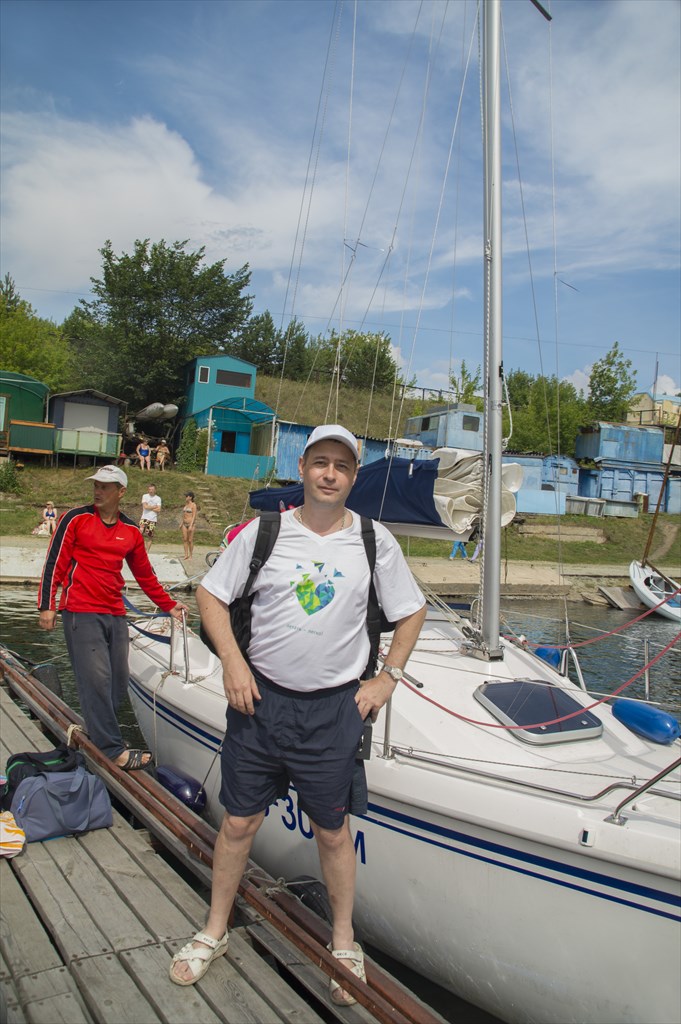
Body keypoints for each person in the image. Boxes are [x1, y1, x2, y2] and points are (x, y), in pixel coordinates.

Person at [169, 424, 426, 998]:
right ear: (304, 468)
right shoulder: (266, 532)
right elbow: (210, 594)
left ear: (353, 476)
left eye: (342, 465)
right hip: (260, 704)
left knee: (333, 832)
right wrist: (233, 663)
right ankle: (214, 929)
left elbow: (412, 610)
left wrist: (388, 677)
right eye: (320, 462)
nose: (330, 474)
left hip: (333, 712)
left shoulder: (374, 541)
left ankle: (343, 941)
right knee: (238, 823)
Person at [37, 464, 189, 770]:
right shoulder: (75, 518)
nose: (98, 491)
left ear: (121, 492)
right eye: (96, 485)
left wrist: (169, 604)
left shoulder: (131, 531)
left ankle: (100, 732)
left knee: (118, 681)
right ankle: (110, 749)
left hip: (114, 611)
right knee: (96, 678)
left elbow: (144, 574)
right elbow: (55, 561)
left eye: (105, 486)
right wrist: (46, 605)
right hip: (80, 609)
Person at [139, 483, 162, 551]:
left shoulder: (158, 498)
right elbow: (145, 506)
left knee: (149, 535)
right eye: (149, 489)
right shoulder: (145, 496)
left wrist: (150, 507)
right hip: (144, 517)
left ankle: (147, 551)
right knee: (140, 532)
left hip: (152, 519)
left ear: (155, 490)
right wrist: (154, 507)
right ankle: (141, 548)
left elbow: (159, 509)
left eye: (152, 489)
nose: (151, 491)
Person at [181, 491, 198, 560]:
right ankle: (186, 554)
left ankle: (191, 555)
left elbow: (194, 516)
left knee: (190, 540)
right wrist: (181, 523)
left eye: (187, 496)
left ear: (190, 497)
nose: (185, 497)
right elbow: (184, 515)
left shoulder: (193, 505)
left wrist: (191, 525)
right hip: (184, 524)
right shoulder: (186, 505)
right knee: (185, 539)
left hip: (191, 523)